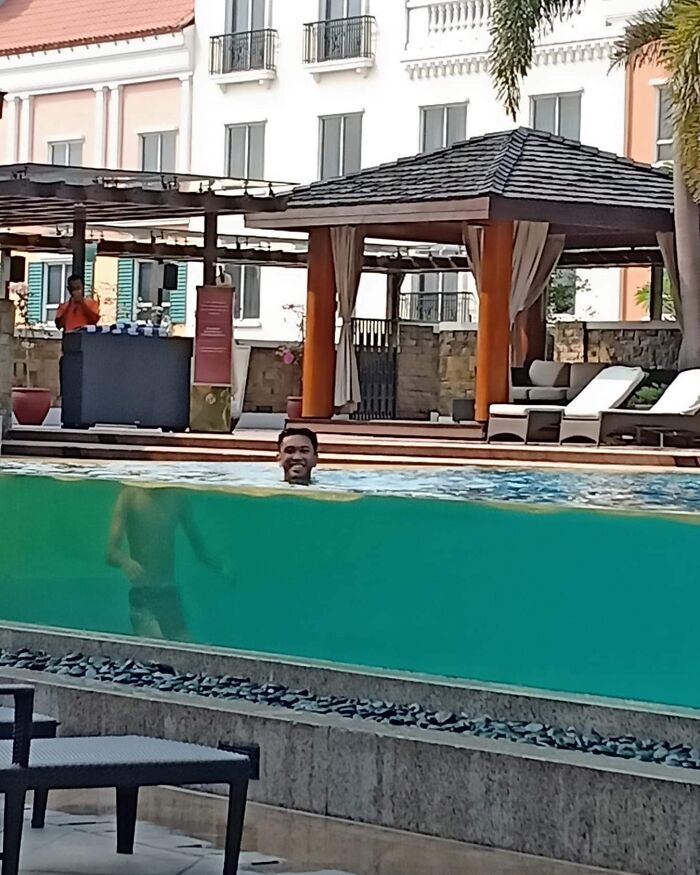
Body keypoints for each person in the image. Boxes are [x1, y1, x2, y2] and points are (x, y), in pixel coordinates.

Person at [107, 486, 226, 641]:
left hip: (169, 593)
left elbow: (200, 550)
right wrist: (126, 562)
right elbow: (111, 552)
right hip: (143, 594)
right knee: (157, 645)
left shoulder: (177, 497)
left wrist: (223, 567)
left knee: (187, 648)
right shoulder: (129, 496)